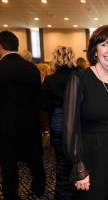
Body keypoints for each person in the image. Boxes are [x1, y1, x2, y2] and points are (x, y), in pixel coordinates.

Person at [63, 25, 108, 200]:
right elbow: (70, 127)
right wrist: (79, 166)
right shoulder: (79, 79)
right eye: (104, 44)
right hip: (91, 153)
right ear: (95, 50)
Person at [0, 30, 46, 200]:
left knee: (8, 166)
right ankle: (39, 187)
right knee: (35, 160)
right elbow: (39, 99)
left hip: (4, 127)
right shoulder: (32, 69)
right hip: (30, 125)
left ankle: (11, 196)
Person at [41, 46, 78, 200]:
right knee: (79, 164)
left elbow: (43, 104)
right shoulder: (80, 76)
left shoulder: (50, 79)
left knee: (62, 167)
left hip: (58, 124)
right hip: (78, 124)